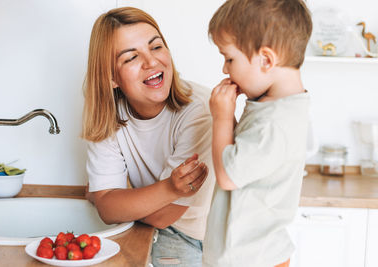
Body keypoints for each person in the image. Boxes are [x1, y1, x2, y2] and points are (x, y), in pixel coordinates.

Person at [82, 7, 215, 267]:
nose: (151, 62)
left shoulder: (201, 113)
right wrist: (108, 203)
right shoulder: (108, 116)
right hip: (146, 233)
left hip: (194, 240)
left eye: (156, 47)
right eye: (131, 57)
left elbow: (164, 215)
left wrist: (112, 200)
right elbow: (108, 209)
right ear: (111, 77)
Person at [202, 0, 313, 266]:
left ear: (266, 60)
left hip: (252, 259)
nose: (225, 69)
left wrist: (222, 117)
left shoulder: (274, 122)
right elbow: (244, 154)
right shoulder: (274, 108)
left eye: (229, 58)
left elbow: (229, 176)